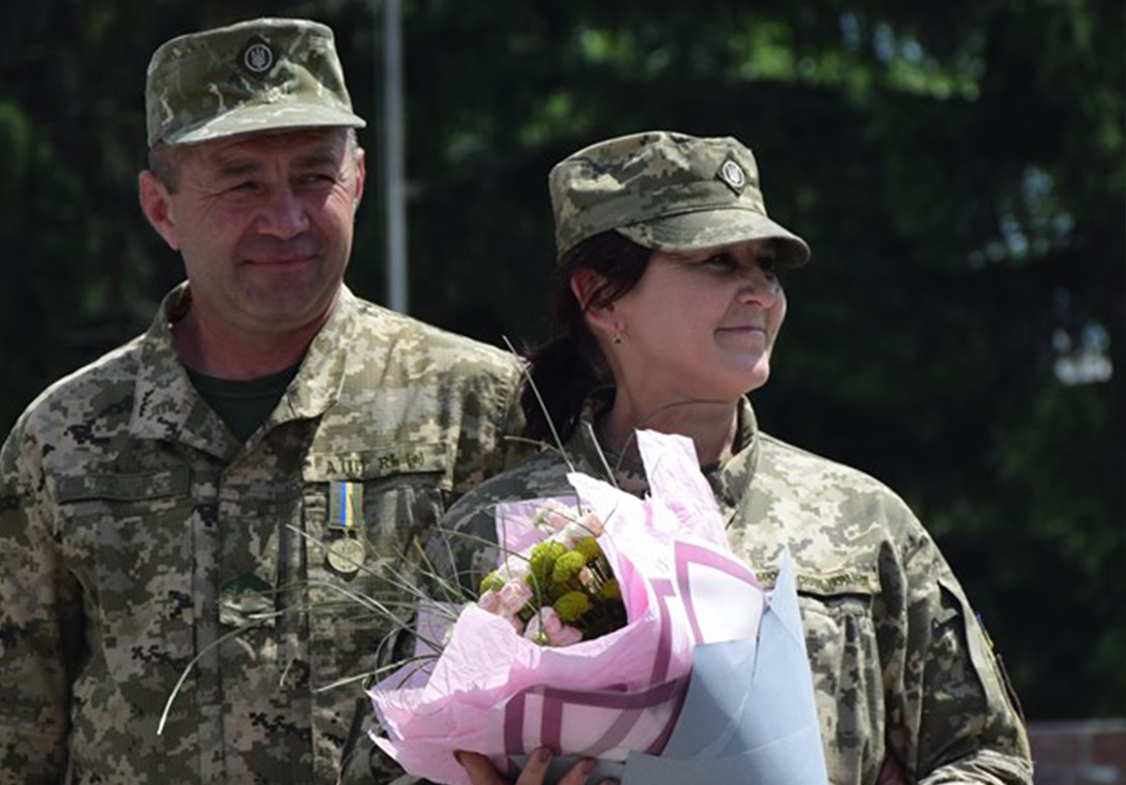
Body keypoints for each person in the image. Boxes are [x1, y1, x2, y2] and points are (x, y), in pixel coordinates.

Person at [0, 18, 527, 785]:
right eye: (242, 182)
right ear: (162, 209)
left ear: (357, 180)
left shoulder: (481, 407)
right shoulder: (64, 437)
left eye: (313, 177)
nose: (287, 220)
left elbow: (557, 683)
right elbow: (3, 731)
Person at [425, 131, 1035, 785]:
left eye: (766, 267)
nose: (759, 293)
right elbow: (386, 762)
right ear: (599, 295)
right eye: (718, 261)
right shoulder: (490, 530)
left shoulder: (862, 521)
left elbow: (989, 756)